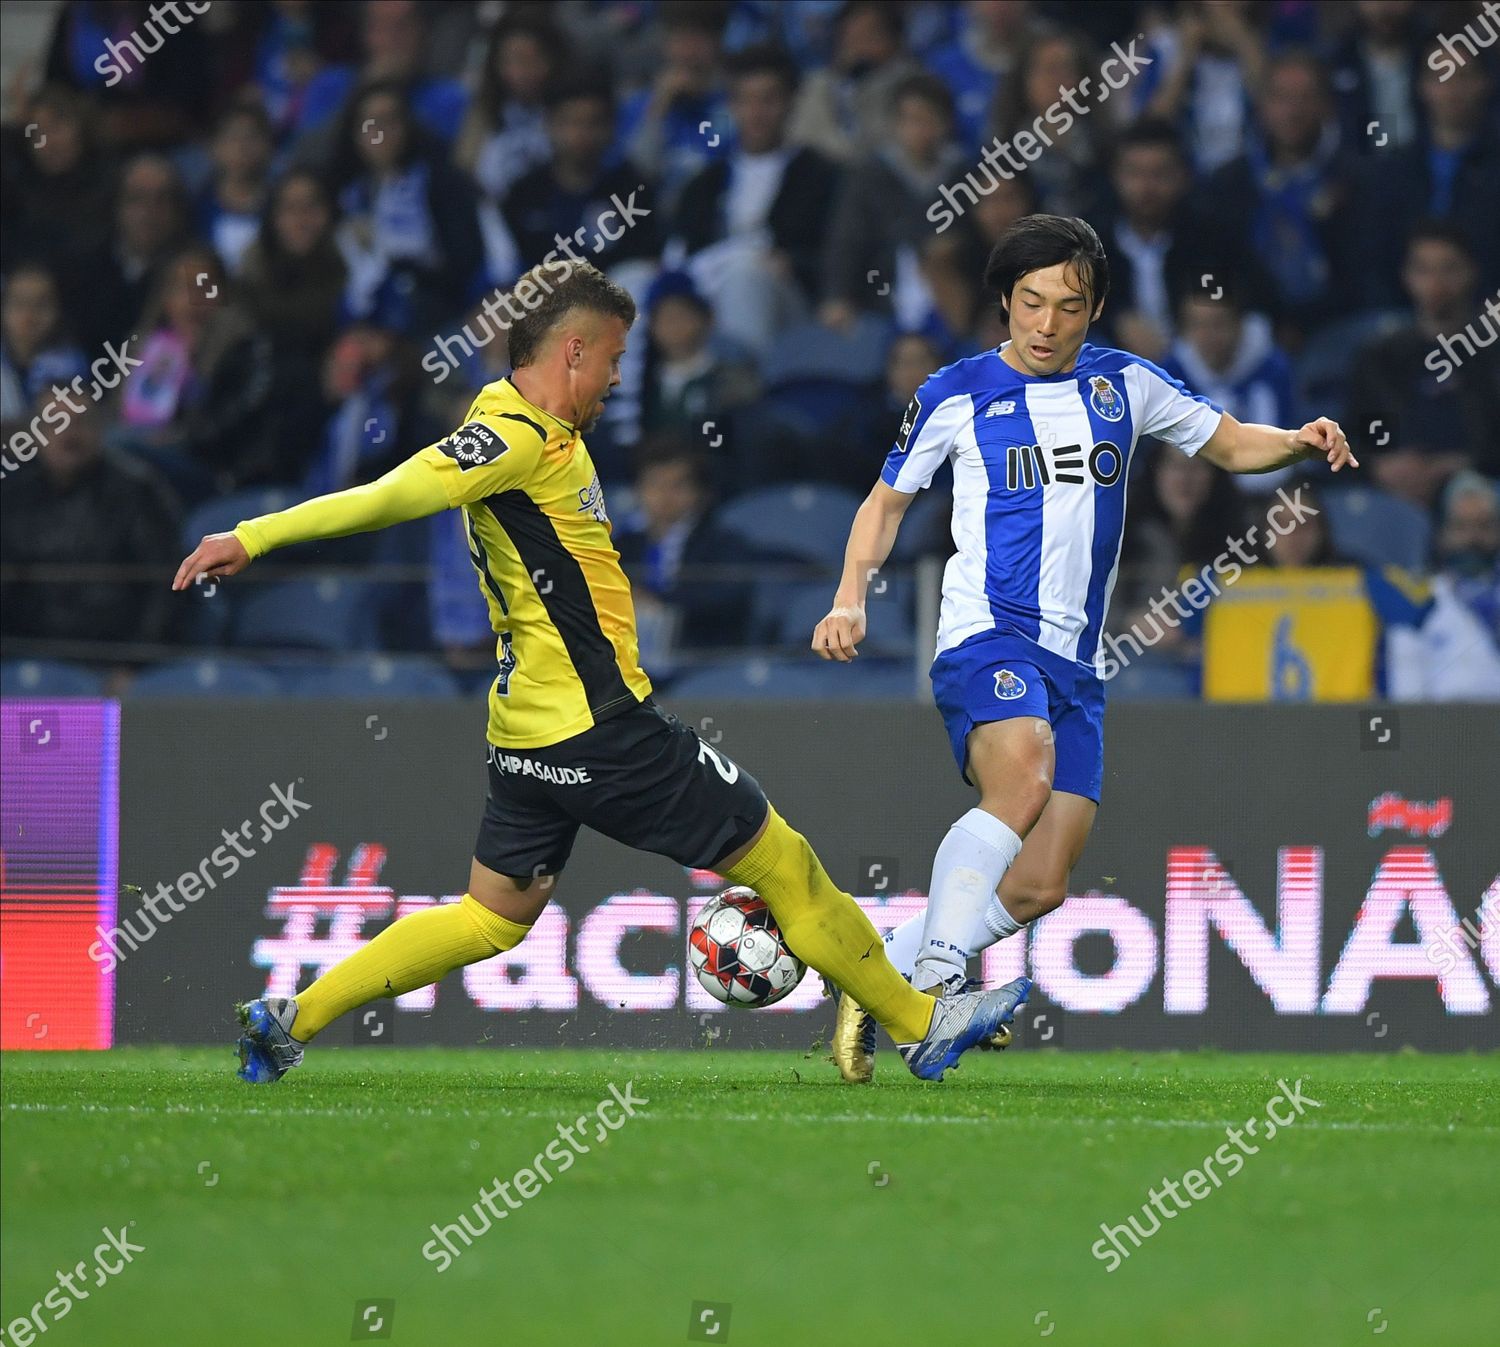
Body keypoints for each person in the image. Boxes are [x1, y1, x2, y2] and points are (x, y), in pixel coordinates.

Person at [173, 259, 1030, 1085]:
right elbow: (391, 493)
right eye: (614, 358)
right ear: (572, 350)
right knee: (788, 866)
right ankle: (925, 1025)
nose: (620, 379)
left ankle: (293, 1019)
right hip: (601, 729)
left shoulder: (511, 418)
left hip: (524, 737)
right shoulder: (513, 439)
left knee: (487, 917)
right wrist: (252, 536)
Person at [812, 215, 1356, 1081]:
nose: (1045, 323)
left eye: (1067, 306)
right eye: (1030, 302)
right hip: (986, 631)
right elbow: (885, 503)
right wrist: (849, 598)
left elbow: (1224, 442)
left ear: (1094, 308)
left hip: (1079, 661)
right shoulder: (957, 391)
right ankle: (938, 986)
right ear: (1004, 302)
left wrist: (1295, 440)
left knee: (1040, 881)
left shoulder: (1125, 386)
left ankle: (870, 972)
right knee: (1021, 777)